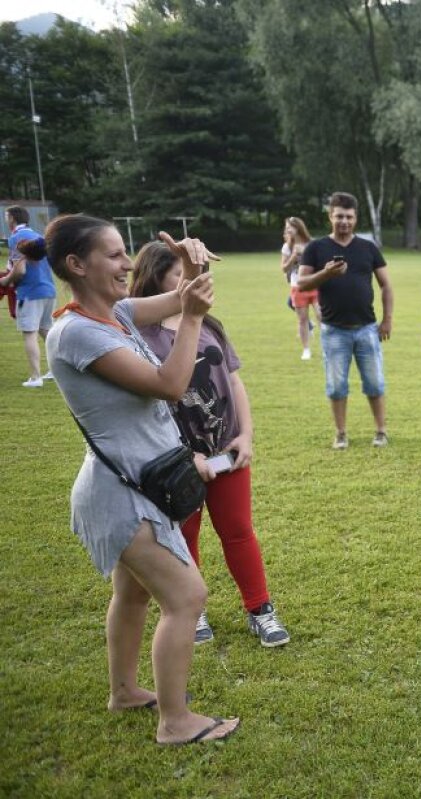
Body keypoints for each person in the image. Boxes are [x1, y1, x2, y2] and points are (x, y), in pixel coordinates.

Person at [42, 214, 238, 745]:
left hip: (133, 486)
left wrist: (194, 266)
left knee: (132, 596)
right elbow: (169, 385)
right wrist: (194, 318)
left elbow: (185, 298)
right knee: (186, 598)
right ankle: (176, 722)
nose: (128, 263)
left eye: (125, 252)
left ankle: (125, 690)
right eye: (112, 255)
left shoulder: (119, 314)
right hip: (123, 496)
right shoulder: (75, 334)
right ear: (76, 265)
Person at [131, 241, 291, 647]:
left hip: (226, 451)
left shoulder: (211, 325)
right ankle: (192, 610)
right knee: (185, 536)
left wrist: (246, 434)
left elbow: (234, 380)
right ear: (158, 280)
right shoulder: (139, 336)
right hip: (177, 458)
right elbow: (148, 405)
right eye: (184, 274)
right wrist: (188, 455)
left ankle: (261, 610)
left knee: (238, 531)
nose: (198, 282)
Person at [297, 192, 393, 449]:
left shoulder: (368, 247)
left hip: (367, 328)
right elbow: (301, 283)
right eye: (339, 216)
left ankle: (381, 431)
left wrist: (387, 321)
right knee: (336, 386)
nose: (344, 222)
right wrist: (326, 273)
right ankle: (341, 433)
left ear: (356, 218)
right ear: (330, 216)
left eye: (349, 217)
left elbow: (386, 285)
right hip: (333, 331)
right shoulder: (316, 248)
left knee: (374, 382)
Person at [3, 206, 57, 387]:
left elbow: (20, 269)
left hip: (30, 291)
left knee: (30, 333)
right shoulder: (39, 236)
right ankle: (56, 371)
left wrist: (6, 281)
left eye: (6, 216)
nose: (5, 220)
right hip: (48, 289)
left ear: (12, 218)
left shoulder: (16, 238)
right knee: (47, 332)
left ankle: (35, 377)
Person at [281, 216, 317, 360]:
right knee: (302, 319)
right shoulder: (287, 247)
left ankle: (328, 348)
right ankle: (306, 350)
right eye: (287, 227)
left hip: (315, 283)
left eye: (291, 226)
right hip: (298, 286)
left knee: (321, 315)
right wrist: (293, 256)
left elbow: (320, 263)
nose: (288, 229)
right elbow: (284, 269)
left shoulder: (312, 244)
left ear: (298, 227)